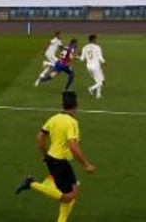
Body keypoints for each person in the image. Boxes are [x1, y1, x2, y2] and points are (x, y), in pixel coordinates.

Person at [15, 91, 96, 222]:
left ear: (62, 104)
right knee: (69, 196)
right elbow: (73, 146)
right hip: (59, 162)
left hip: (53, 159)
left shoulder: (53, 118)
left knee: (74, 189)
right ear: (77, 104)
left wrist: (43, 155)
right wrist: (86, 165)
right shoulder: (72, 123)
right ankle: (31, 183)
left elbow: (40, 136)